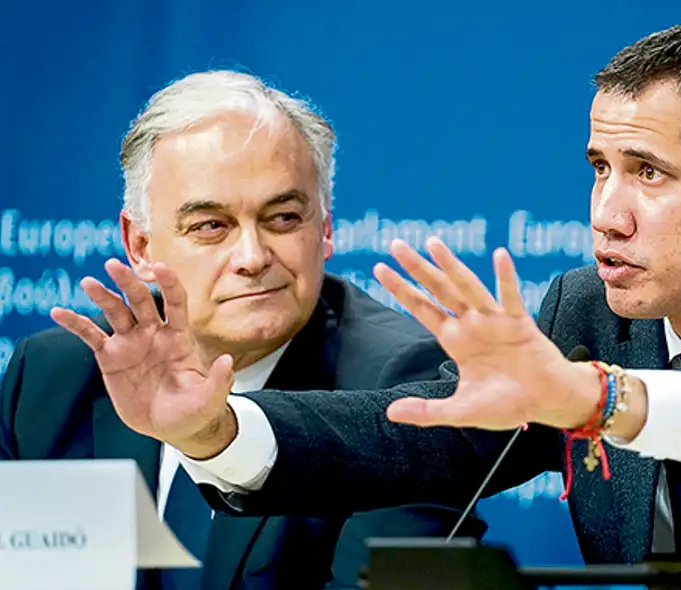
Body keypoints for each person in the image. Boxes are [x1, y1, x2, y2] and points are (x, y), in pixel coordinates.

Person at [47, 25, 681, 589]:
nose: (605, 212)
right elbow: (410, 435)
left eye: (649, 175)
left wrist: (605, 401)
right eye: (598, 169)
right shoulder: (589, 314)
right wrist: (217, 431)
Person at [0, 70, 483, 590]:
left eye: (282, 218)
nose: (252, 258)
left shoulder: (401, 388)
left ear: (323, 230)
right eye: (211, 226)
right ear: (140, 246)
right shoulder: (55, 377)